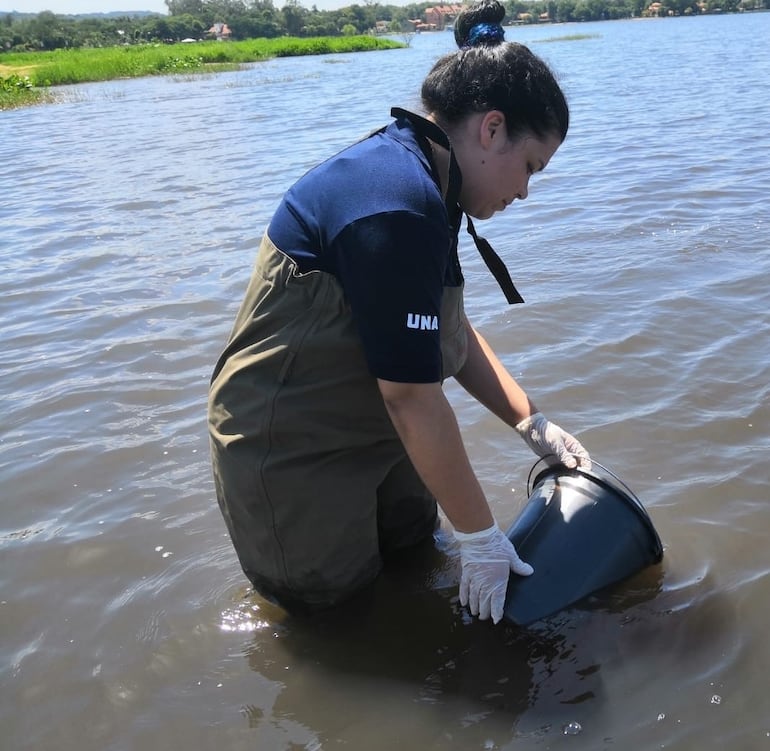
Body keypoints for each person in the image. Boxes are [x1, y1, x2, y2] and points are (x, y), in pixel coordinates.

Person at [208, 0, 591, 625]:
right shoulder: (394, 200)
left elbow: (448, 331)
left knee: (417, 574)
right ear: (491, 129)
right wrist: (482, 536)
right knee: (339, 624)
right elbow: (411, 397)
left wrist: (532, 425)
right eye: (530, 167)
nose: (524, 190)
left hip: (378, 430)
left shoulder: (433, 182)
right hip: (295, 449)